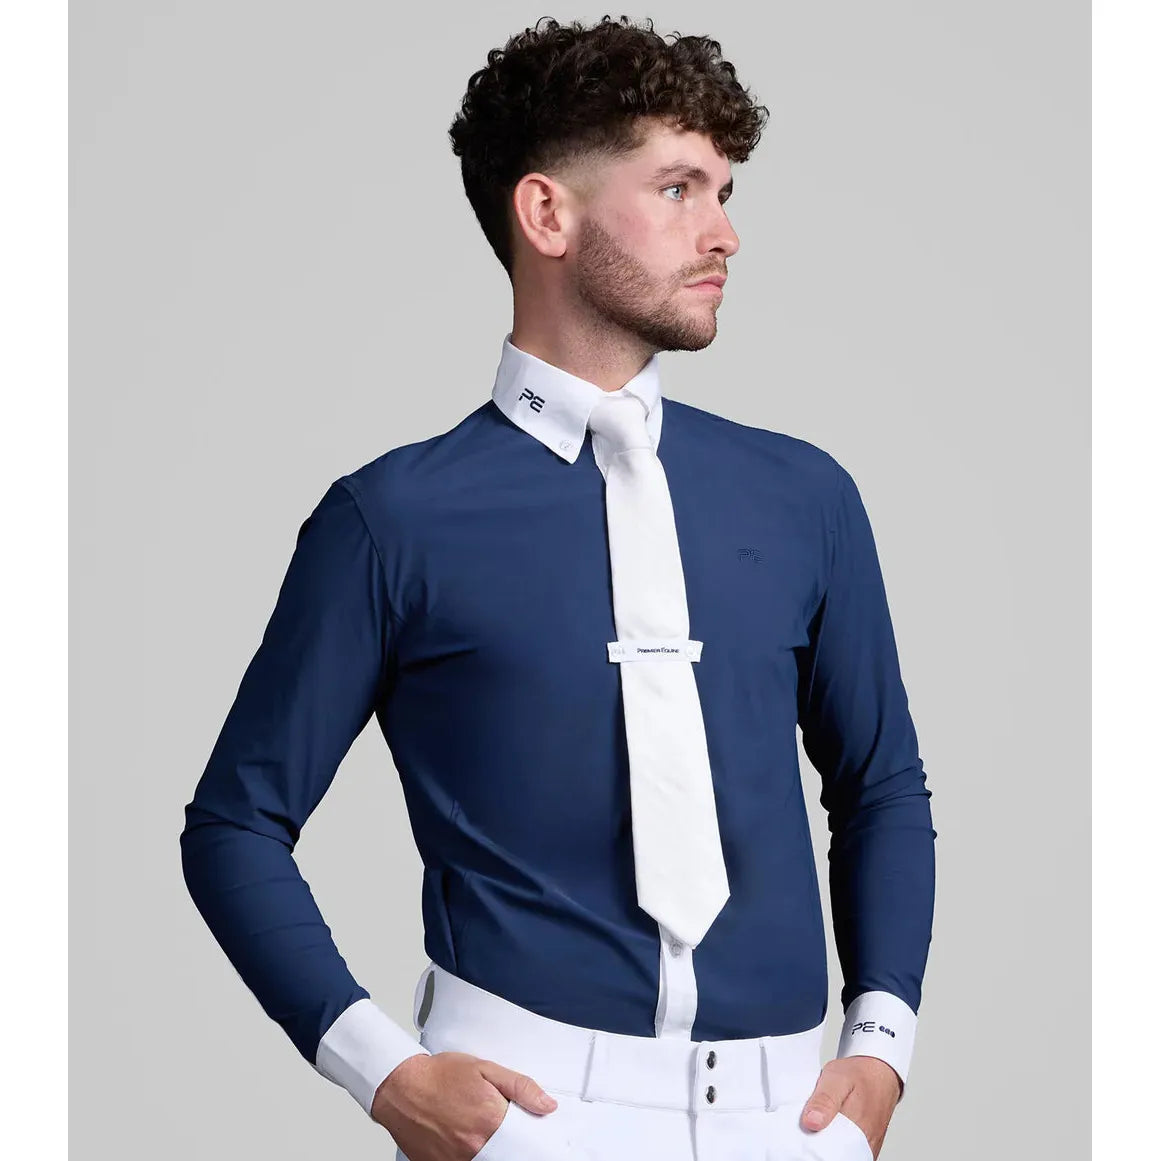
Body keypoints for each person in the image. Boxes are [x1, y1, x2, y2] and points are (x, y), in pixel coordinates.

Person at [180, 15, 936, 1161]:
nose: (725, 233)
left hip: (793, 1119)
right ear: (547, 214)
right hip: (525, 1117)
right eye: (678, 189)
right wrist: (384, 1072)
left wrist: (881, 1047)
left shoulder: (805, 498)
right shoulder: (392, 521)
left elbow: (880, 786)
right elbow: (235, 823)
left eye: (726, 192)